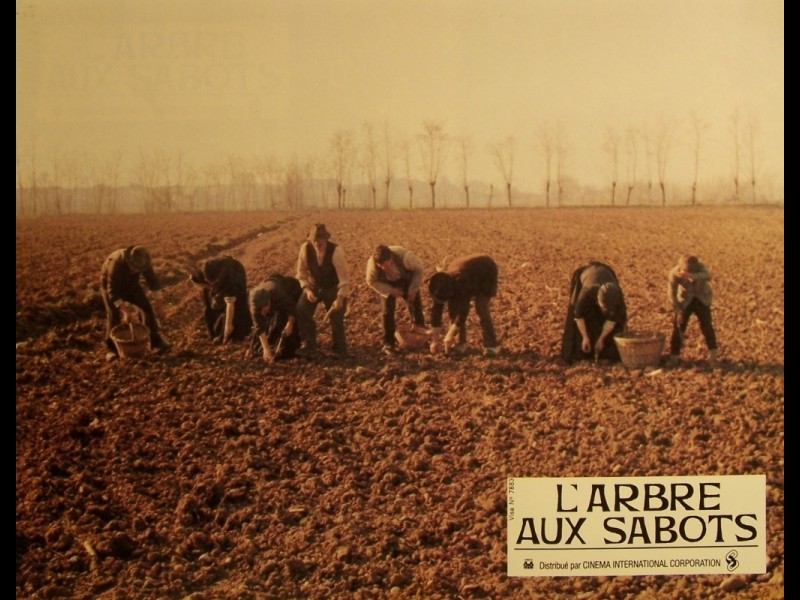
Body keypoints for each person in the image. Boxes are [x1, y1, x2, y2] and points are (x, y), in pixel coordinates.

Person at [100, 245, 170, 360]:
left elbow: (153, 281)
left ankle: (156, 341)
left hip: (132, 284)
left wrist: (159, 304)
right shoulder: (116, 264)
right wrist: (124, 309)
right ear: (129, 262)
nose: (136, 271)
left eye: (138, 270)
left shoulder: (145, 262)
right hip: (110, 286)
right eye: (134, 269)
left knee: (147, 308)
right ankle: (111, 349)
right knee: (113, 314)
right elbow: (113, 292)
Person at [427, 254, 500, 357]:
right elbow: (436, 313)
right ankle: (460, 343)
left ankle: (491, 345)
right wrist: (435, 341)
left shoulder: (461, 282)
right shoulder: (439, 284)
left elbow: (462, 313)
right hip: (468, 273)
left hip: (486, 271)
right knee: (453, 309)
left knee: (481, 307)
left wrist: (450, 334)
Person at [295, 224, 350, 358]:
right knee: (301, 309)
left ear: (326, 239)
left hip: (333, 287)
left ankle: (339, 348)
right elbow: (301, 273)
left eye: (320, 243)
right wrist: (307, 289)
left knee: (336, 316)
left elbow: (344, 280)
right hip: (314, 286)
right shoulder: (305, 249)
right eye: (314, 243)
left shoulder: (336, 251)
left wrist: (340, 298)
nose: (317, 246)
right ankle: (309, 344)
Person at [560, 261, 627, 364]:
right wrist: (585, 337)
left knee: (616, 325)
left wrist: (601, 339)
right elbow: (578, 315)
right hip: (587, 275)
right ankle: (580, 354)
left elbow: (612, 320)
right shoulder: (587, 292)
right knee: (579, 325)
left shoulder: (617, 297)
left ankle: (607, 354)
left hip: (607, 273)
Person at [365, 244, 426, 355]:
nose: (383, 267)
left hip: (406, 280)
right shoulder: (372, 264)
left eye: (385, 264)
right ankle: (388, 343)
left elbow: (419, 269)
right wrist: (390, 290)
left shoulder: (404, 256)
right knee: (387, 312)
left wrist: (413, 288)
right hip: (386, 284)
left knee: (416, 307)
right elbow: (371, 281)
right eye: (380, 265)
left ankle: (420, 338)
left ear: (391, 258)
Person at [666, 254, 718, 368]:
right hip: (685, 301)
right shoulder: (674, 274)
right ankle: (674, 357)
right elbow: (672, 294)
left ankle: (713, 357)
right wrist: (678, 310)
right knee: (679, 327)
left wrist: (692, 276)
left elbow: (708, 275)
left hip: (702, 299)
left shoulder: (701, 267)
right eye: (685, 271)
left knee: (707, 326)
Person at [190, 255, 252, 345]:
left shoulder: (232, 278)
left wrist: (228, 326)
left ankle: (233, 332)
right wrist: (209, 287)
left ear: (219, 277)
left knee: (238, 304)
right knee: (210, 305)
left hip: (235, 277)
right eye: (209, 281)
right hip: (215, 280)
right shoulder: (205, 270)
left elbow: (230, 304)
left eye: (214, 282)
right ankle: (212, 333)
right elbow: (194, 278)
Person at [249, 274, 302, 362]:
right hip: (272, 284)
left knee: (285, 328)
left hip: (291, 290)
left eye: (264, 310)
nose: (263, 313)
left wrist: (290, 324)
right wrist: (266, 349)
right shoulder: (254, 306)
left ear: (269, 302)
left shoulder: (279, 294)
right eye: (260, 312)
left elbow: (291, 309)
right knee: (257, 347)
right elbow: (259, 327)